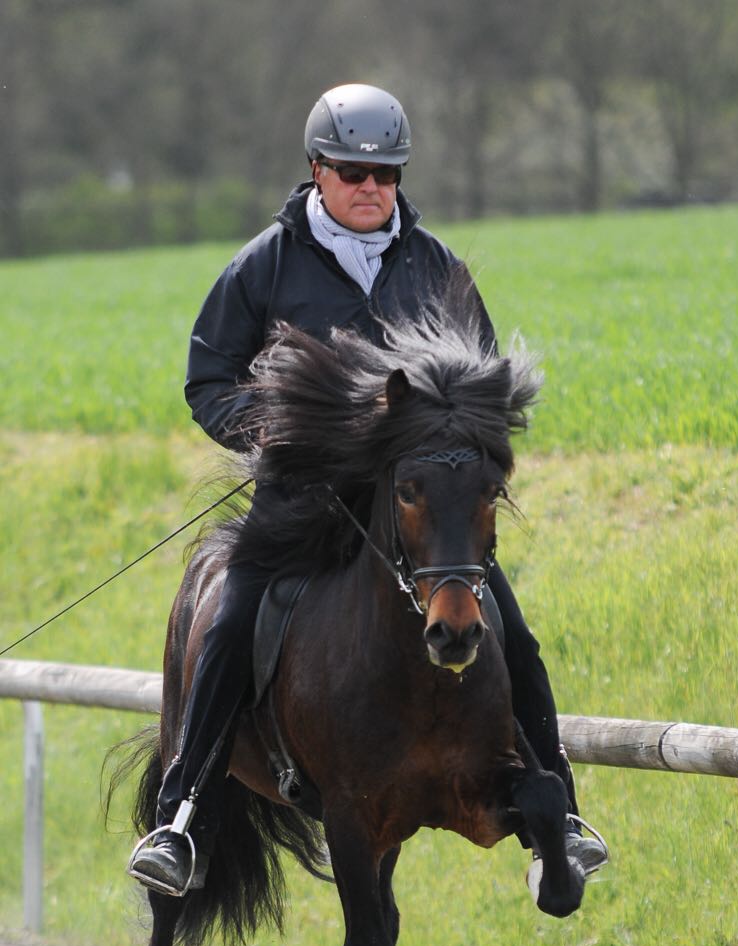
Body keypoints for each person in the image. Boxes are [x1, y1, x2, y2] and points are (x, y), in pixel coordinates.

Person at [128, 83, 608, 897]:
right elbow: (207, 380)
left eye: (385, 174)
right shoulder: (262, 266)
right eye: (352, 172)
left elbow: (479, 393)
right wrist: (280, 436)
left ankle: (555, 812)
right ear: (317, 169)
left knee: (512, 633)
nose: (369, 187)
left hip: (417, 515)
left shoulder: (436, 266)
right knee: (231, 620)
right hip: (303, 503)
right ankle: (182, 817)